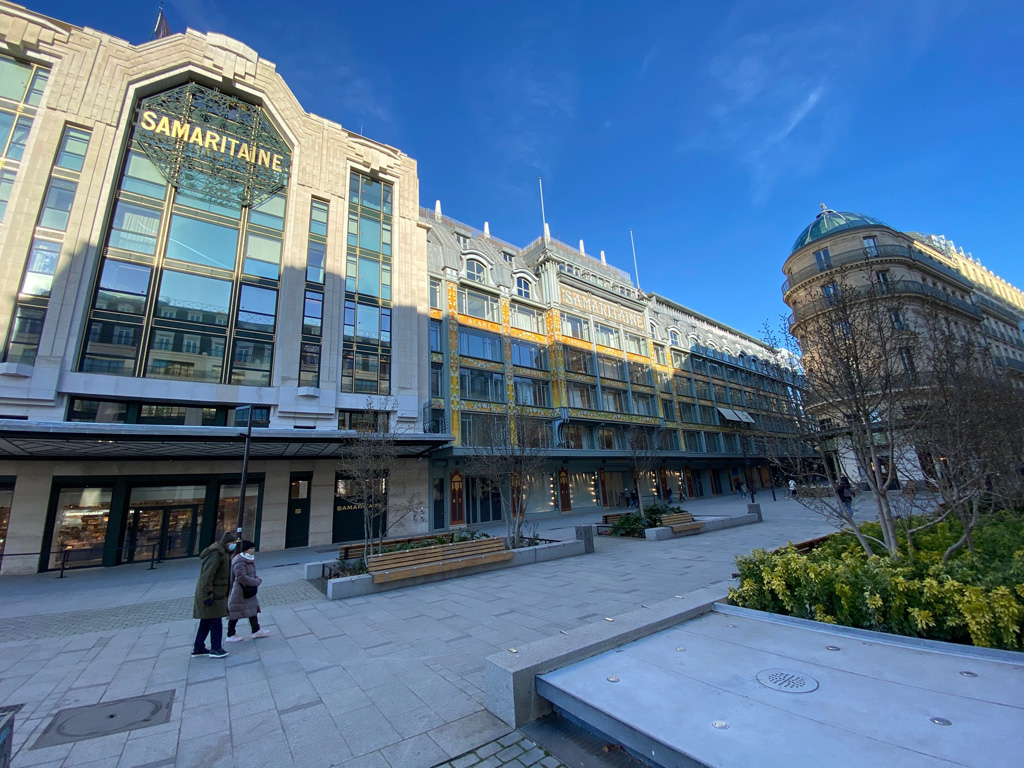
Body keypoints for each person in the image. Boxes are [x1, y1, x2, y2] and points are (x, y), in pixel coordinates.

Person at [192, 531, 235, 658]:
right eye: (233, 543)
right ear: (227, 543)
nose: (234, 546)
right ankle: (216, 648)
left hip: (216, 594)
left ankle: (198, 647)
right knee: (216, 621)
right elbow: (207, 577)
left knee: (206, 621)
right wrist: (207, 596)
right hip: (212, 595)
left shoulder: (223, 553)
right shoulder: (216, 554)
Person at [226, 540, 271, 642]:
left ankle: (256, 630)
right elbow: (241, 576)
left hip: (248, 589)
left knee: (252, 609)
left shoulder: (248, 559)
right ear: (246, 550)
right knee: (235, 612)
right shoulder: (240, 561)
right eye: (252, 548)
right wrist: (255, 582)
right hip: (241, 590)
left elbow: (251, 573)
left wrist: (256, 578)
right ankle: (230, 634)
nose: (253, 550)